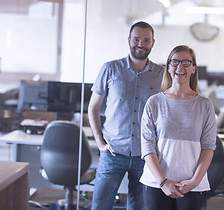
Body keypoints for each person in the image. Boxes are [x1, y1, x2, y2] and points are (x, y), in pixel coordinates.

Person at [88, 21, 165, 210]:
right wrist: (100, 143)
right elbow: (93, 107)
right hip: (113, 153)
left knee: (138, 207)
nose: (141, 44)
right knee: (100, 206)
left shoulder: (162, 74)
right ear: (129, 40)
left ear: (153, 43)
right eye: (137, 39)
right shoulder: (110, 69)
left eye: (146, 40)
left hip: (146, 154)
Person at [140, 45, 217, 210]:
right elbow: (147, 146)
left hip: (192, 184)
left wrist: (195, 181)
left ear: (194, 68)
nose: (180, 67)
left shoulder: (205, 105)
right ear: (167, 67)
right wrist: (163, 181)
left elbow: (208, 147)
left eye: (186, 62)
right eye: (174, 62)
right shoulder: (154, 102)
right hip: (156, 183)